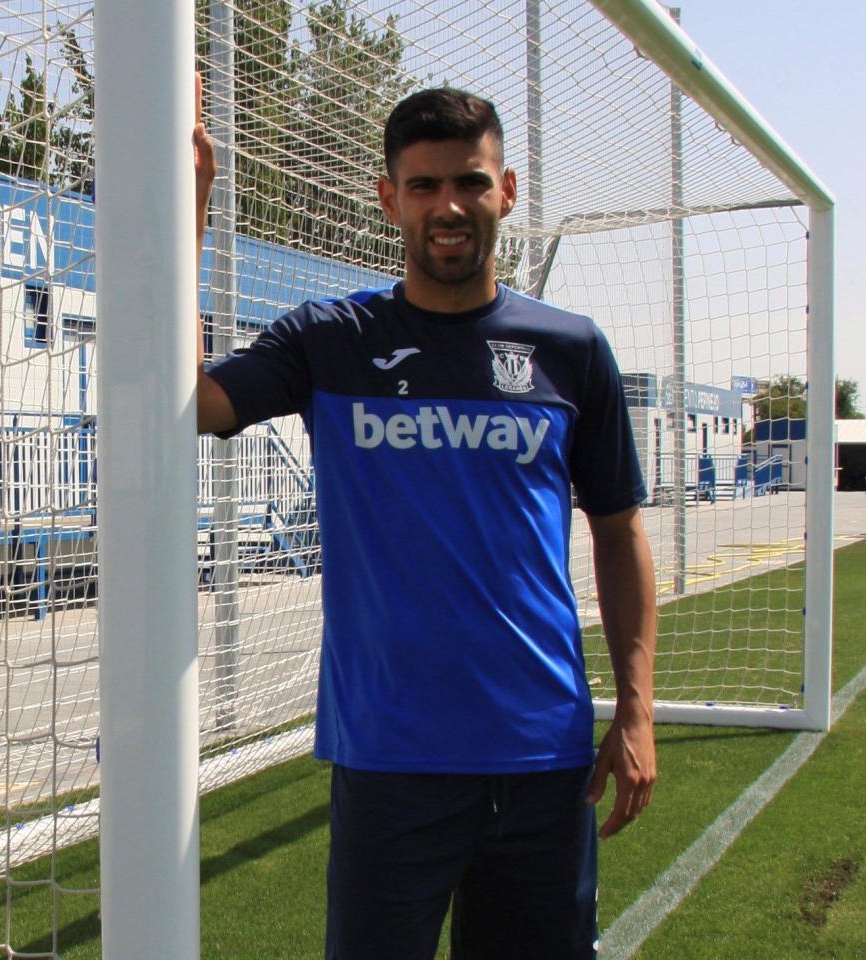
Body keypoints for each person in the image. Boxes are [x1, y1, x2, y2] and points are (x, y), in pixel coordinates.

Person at [189, 83, 658, 959]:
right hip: (390, 759)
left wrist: (636, 709)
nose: (449, 207)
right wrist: (191, 209)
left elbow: (621, 530)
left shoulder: (570, 349)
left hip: (542, 756)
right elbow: (200, 402)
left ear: (506, 192)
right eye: (425, 185)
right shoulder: (330, 339)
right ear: (389, 197)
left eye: (471, 184)